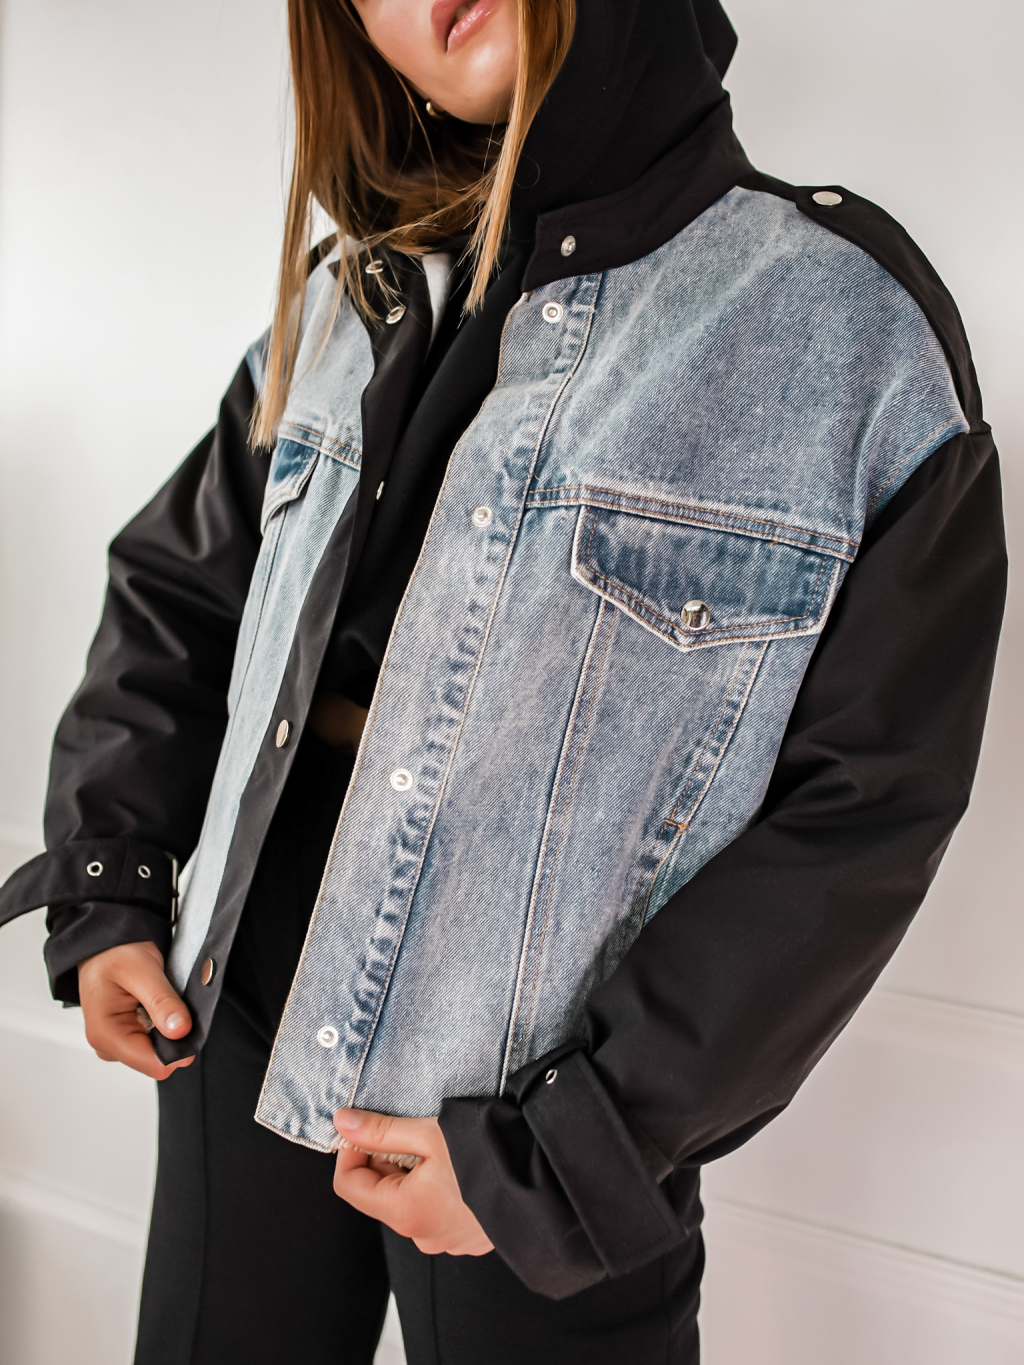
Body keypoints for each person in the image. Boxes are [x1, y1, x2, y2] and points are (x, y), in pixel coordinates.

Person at [0, 1, 1007, 1361]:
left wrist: (574, 1144)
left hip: (535, 1082)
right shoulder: (347, 298)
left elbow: (865, 810)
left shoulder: (847, 329)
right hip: (240, 998)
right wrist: (111, 879)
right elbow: (180, 589)